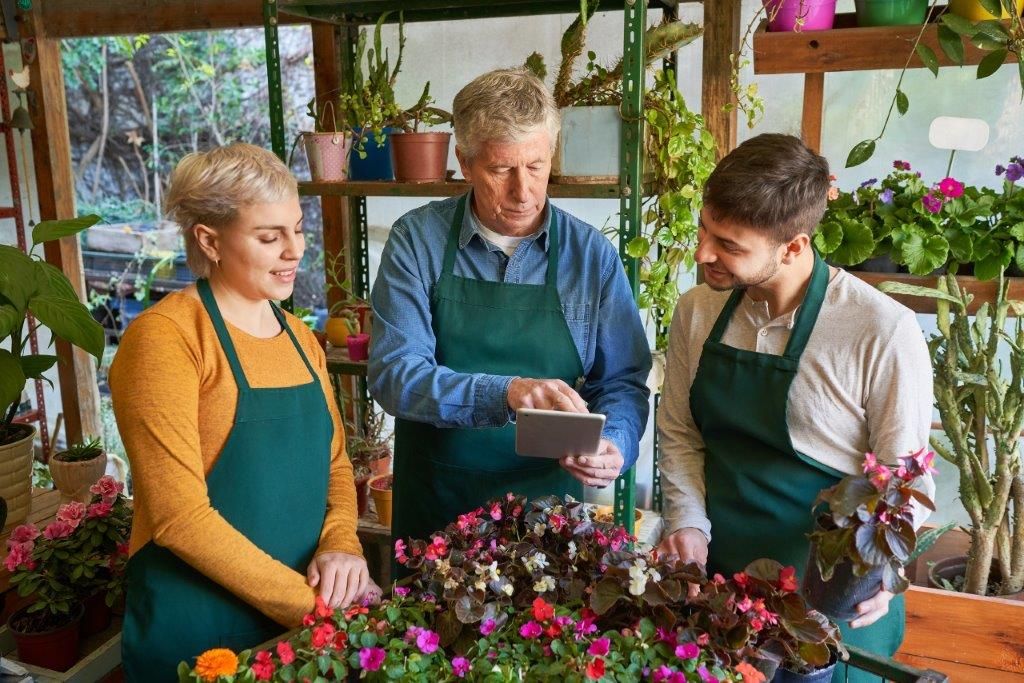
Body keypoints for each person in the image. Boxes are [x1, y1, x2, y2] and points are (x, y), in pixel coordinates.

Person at [656, 134, 934, 681]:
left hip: (834, 608)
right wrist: (687, 521)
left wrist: (883, 566)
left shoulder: (880, 331)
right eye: (704, 230)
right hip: (725, 589)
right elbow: (681, 434)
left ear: (793, 246)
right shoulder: (697, 311)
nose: (703, 254)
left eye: (730, 245)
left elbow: (906, 483)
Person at [110, 143, 378, 679]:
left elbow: (336, 468)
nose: (295, 250)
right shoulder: (166, 340)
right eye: (269, 236)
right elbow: (178, 518)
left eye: (297, 229)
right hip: (200, 636)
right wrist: (318, 609)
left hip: (302, 628)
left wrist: (342, 547)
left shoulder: (301, 338)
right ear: (209, 240)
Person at [368, 68, 651, 544]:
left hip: (550, 514)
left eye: (537, 166)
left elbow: (622, 381)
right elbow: (395, 374)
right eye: (502, 170)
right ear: (464, 160)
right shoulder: (416, 241)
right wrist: (506, 392)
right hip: (438, 510)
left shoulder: (591, 257)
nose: (524, 192)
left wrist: (614, 445)